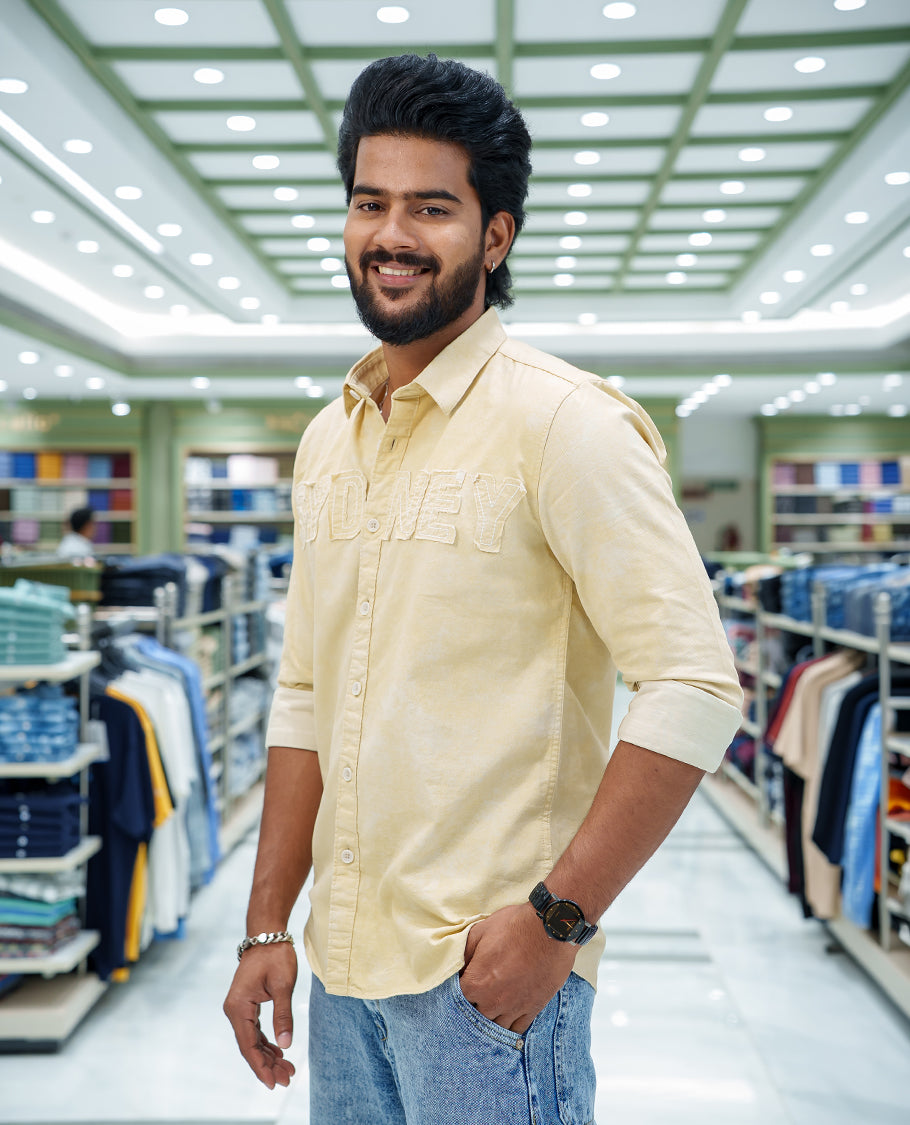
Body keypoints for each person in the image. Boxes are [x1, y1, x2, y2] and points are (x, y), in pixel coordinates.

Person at [223, 54, 743, 1124]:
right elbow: (307, 697)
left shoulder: (566, 425)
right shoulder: (331, 439)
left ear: (494, 235)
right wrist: (268, 926)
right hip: (343, 973)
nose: (391, 235)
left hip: (484, 979)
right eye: (369, 203)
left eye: (431, 207)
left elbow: (692, 685)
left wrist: (555, 924)